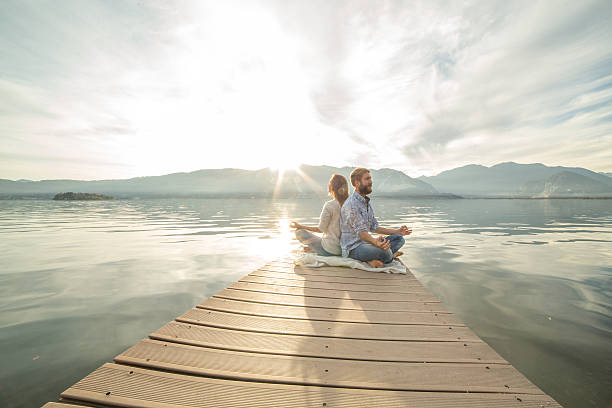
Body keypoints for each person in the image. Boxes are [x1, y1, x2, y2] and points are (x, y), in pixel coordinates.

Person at [341, 167, 412, 268]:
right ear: (357, 183)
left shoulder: (366, 203)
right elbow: (362, 233)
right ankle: (390, 256)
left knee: (399, 239)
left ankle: (374, 258)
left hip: (366, 244)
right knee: (386, 252)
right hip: (353, 248)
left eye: (370, 179)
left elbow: (374, 227)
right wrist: (376, 243)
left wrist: (397, 231)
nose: (371, 182)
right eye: (367, 179)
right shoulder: (351, 204)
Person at [290, 174, 349, 256]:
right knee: (324, 239)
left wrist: (300, 226)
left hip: (330, 250)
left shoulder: (330, 205)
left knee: (299, 232)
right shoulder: (351, 204)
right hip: (346, 250)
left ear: (331, 187)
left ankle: (315, 249)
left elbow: (321, 229)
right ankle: (314, 248)